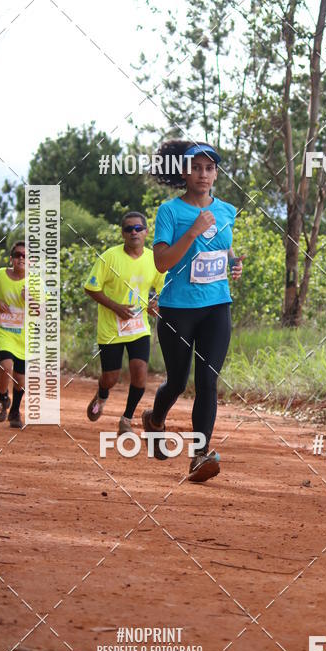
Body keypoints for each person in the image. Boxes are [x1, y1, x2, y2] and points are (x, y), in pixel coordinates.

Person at [142, 140, 243, 484]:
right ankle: (155, 421)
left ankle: (200, 456)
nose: (203, 174)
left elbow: (224, 247)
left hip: (217, 305)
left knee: (208, 381)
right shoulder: (170, 211)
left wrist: (234, 263)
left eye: (209, 168)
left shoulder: (227, 209)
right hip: (177, 309)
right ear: (184, 173)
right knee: (177, 382)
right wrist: (192, 231)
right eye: (196, 168)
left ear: (216, 173)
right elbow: (162, 261)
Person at [84, 212, 166, 434]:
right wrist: (115, 307)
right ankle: (102, 393)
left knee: (140, 374)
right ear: (122, 233)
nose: (134, 232)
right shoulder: (109, 257)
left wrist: (154, 303)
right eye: (129, 229)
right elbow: (91, 287)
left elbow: (162, 288)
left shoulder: (153, 259)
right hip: (111, 328)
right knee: (111, 377)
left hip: (139, 328)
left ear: (146, 232)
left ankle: (126, 420)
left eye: (138, 228)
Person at [0, 242, 27, 427]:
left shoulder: (35, 282)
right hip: (4, 332)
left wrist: (32, 301)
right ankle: (3, 398)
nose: (21, 259)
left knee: (20, 379)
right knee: (6, 366)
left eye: (25, 256)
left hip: (26, 336)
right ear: (11, 258)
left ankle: (15, 412)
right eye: (18, 255)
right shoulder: (0, 275)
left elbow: (44, 309)